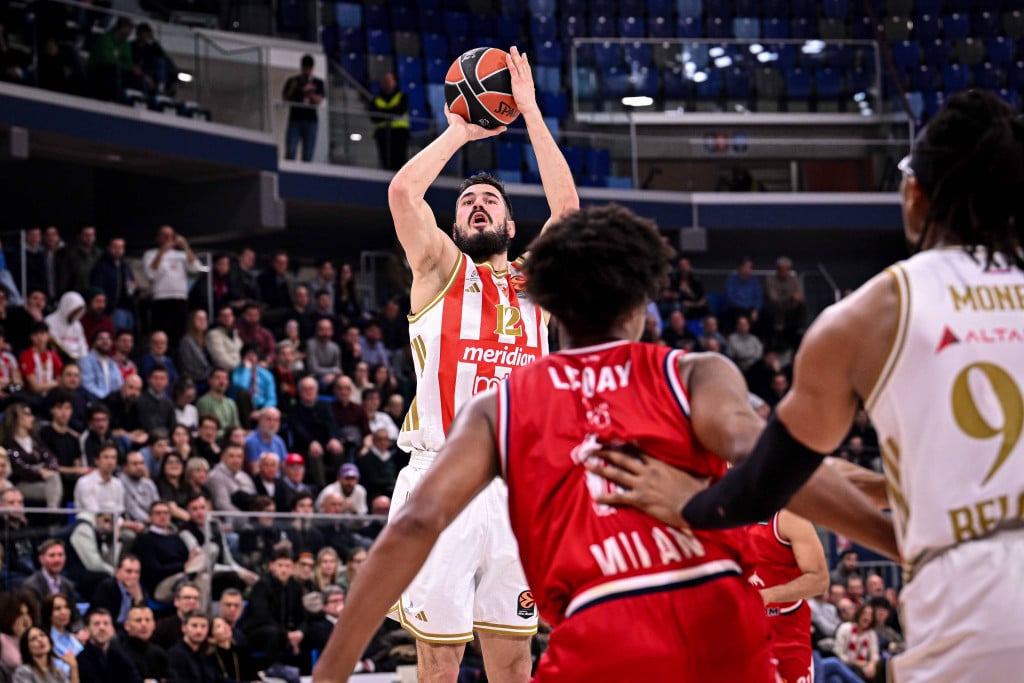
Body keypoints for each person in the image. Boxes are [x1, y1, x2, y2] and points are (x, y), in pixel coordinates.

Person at [592, 90, 1024, 683]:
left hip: (973, 617)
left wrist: (693, 502)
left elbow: (777, 478)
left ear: (914, 196)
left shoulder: (871, 313)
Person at [317, 203, 815, 680]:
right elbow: (779, 466)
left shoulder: (515, 401)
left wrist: (329, 673)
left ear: (551, 302)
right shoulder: (695, 373)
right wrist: (700, 505)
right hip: (713, 646)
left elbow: (418, 522)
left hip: (607, 645)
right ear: (640, 304)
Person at [348, 45, 578, 683]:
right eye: (467, 200)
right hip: (441, 476)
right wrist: (459, 131)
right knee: (440, 658)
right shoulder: (438, 271)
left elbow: (568, 214)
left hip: (517, 486)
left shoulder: (534, 285)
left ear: (510, 225)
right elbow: (403, 191)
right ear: (452, 225)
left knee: (514, 657)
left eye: (490, 201)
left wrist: (530, 111)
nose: (478, 203)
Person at [746, 511, 829, 683]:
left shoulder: (789, 517)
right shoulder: (721, 513)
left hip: (785, 627)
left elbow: (819, 579)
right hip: (739, 628)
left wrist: (768, 595)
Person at [143, 227, 205, 348]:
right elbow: (151, 274)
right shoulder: (150, 254)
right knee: (161, 333)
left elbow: (196, 268)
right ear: (158, 237)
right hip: (161, 298)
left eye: (170, 235)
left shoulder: (181, 255)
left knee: (179, 334)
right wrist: (162, 252)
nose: (168, 238)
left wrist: (186, 247)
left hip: (180, 298)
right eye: (164, 235)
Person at [75, 608, 140, 683]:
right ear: (87, 630)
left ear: (113, 629)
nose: (102, 628)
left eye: (106, 623)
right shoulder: (81, 660)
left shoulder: (119, 655)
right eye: (96, 624)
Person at [282, 54, 324, 162]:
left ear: (312, 68)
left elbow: (318, 100)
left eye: (308, 68)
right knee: (290, 151)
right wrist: (293, 88)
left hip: (311, 121)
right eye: (305, 68)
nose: (306, 71)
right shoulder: (293, 80)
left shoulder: (318, 82)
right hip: (295, 119)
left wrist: (308, 92)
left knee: (308, 155)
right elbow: (285, 99)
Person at [368, 72, 409, 171]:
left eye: (389, 80)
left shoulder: (402, 96)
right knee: (385, 160)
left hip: (400, 133)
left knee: (400, 160)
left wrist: (383, 112)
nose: (387, 83)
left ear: (395, 82)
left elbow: (400, 111)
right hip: (383, 134)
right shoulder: (376, 99)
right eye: (385, 81)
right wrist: (392, 111)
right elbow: (374, 117)